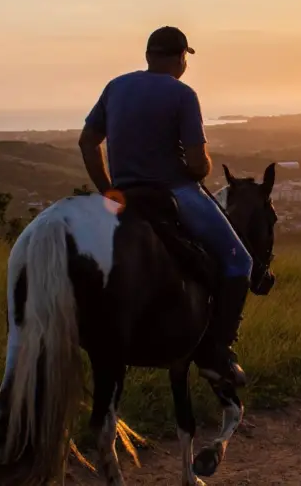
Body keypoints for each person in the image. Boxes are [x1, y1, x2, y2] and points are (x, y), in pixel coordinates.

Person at [77, 26, 253, 387]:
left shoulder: (115, 87)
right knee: (240, 260)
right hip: (174, 192)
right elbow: (195, 163)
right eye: (185, 57)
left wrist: (108, 190)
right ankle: (216, 354)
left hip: (125, 194)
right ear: (180, 59)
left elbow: (87, 141)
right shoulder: (183, 94)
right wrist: (201, 165)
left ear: (147, 55)